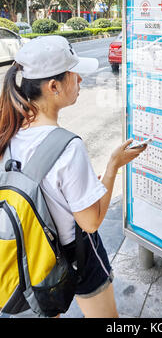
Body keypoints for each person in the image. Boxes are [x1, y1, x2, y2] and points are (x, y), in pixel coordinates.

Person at [0, 35, 146, 318]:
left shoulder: (8, 132)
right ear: (53, 86)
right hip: (75, 253)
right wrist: (114, 166)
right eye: (74, 74)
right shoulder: (68, 146)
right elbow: (90, 222)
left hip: (32, 252)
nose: (80, 80)